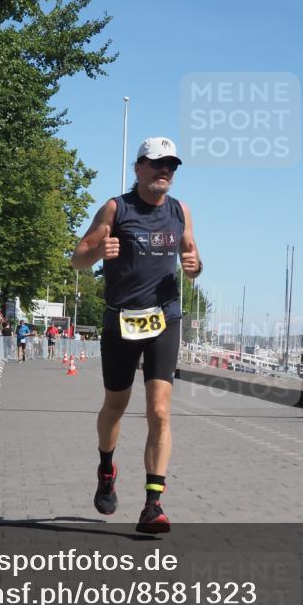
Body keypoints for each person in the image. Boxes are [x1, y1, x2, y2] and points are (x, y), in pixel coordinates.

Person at [71, 136, 202, 534]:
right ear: (139, 168)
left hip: (165, 318)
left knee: (160, 410)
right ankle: (107, 467)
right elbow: (78, 257)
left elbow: (193, 259)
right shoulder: (117, 207)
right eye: (158, 164)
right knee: (116, 404)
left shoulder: (180, 211)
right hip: (122, 319)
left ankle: (152, 505)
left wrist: (195, 267)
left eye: (172, 166)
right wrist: (99, 253)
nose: (166, 171)